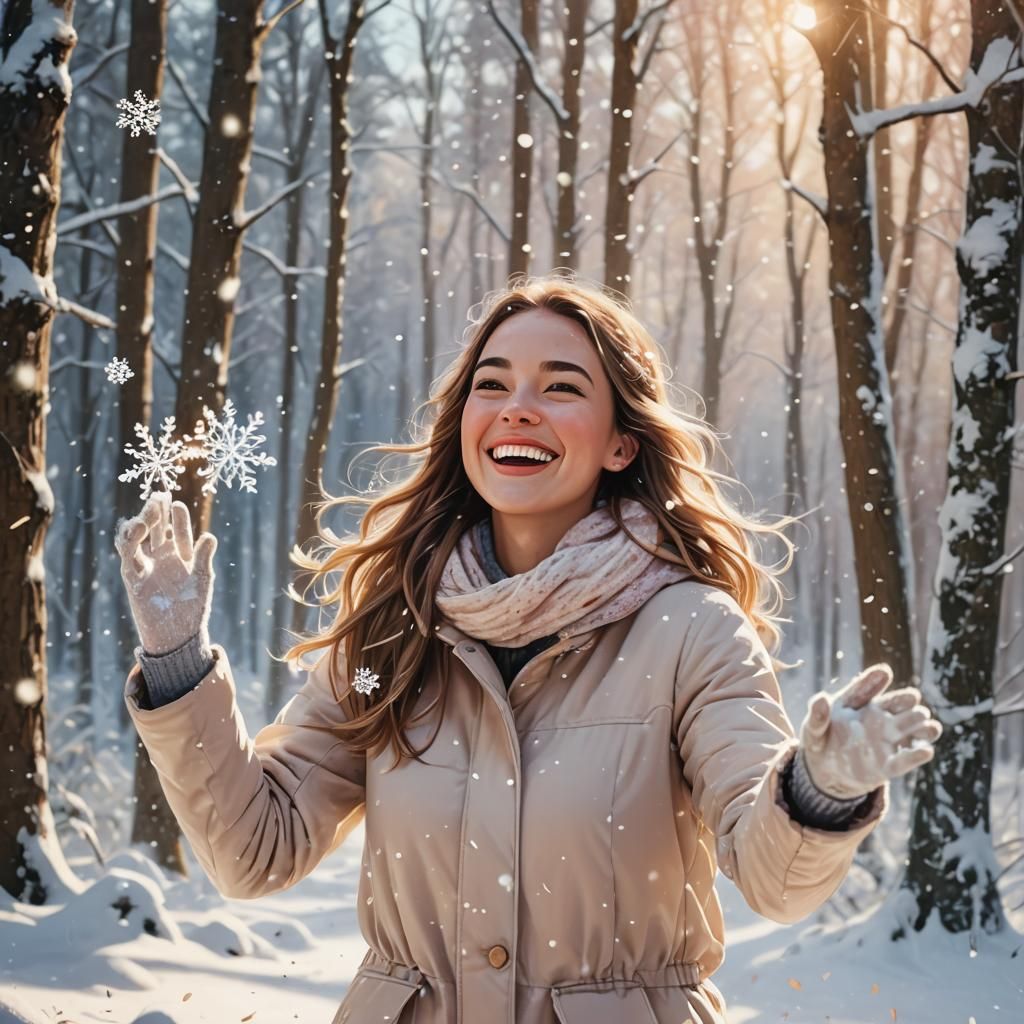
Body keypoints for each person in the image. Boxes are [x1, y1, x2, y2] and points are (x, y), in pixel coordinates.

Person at [115, 274, 942, 1024]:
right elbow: (256, 851)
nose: (518, 407)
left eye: (561, 387)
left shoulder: (691, 631)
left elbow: (772, 876)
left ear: (622, 443)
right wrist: (178, 662)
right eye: (493, 385)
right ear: (466, 425)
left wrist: (820, 789)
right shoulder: (396, 629)